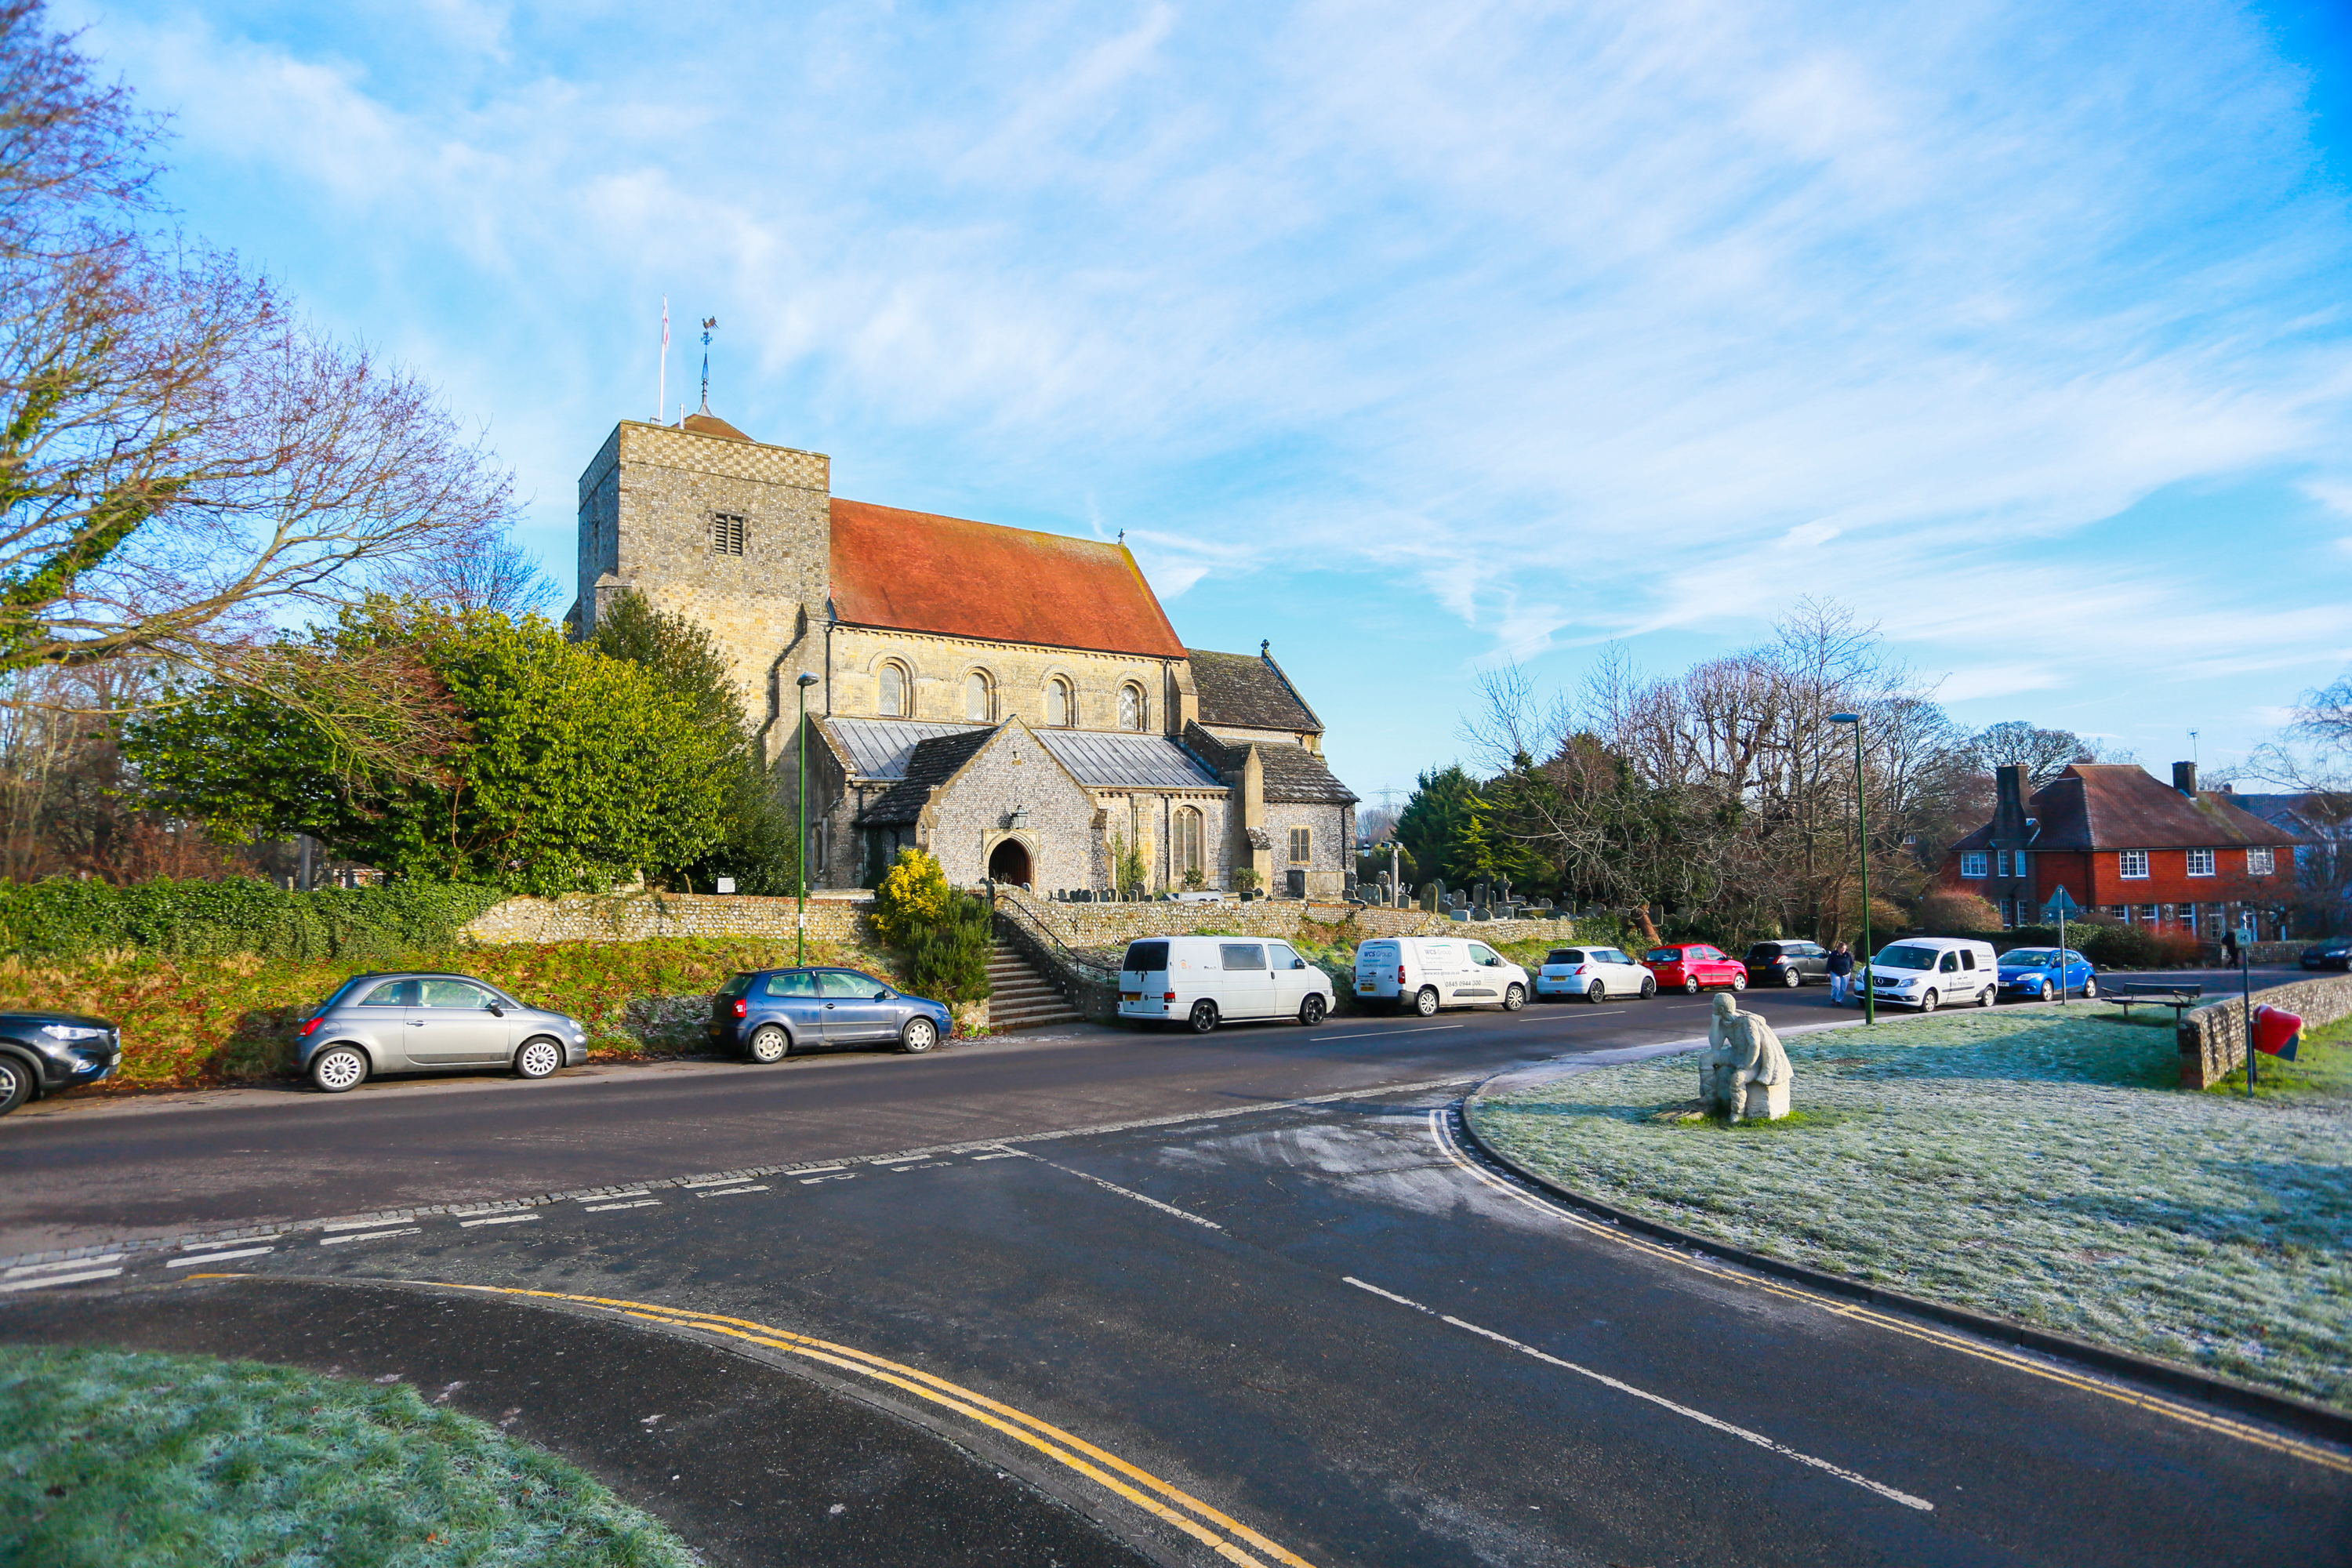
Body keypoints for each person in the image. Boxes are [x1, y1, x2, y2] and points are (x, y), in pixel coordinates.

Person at [1826, 941, 1855, 1005]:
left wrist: (1850, 968)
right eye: (1842, 948)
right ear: (1838, 948)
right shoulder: (1833, 954)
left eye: (1845, 948)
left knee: (1843, 988)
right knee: (1836, 986)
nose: (1843, 950)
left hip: (1846, 973)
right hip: (1835, 972)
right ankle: (1833, 998)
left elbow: (1852, 962)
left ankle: (1839, 1000)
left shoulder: (1848, 955)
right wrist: (1828, 972)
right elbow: (1829, 964)